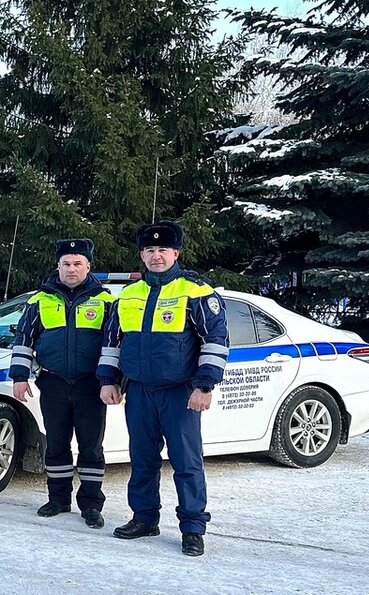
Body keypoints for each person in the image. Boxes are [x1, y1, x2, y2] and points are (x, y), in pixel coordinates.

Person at [96, 221, 229, 557]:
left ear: (176, 253)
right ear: (142, 254)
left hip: (180, 392)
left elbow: (215, 340)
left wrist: (205, 385)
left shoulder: (195, 291)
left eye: (163, 250)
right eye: (149, 250)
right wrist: (108, 380)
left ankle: (193, 528)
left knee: (186, 463)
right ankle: (144, 518)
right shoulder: (128, 294)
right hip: (139, 391)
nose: (156, 256)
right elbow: (112, 341)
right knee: (141, 459)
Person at [10, 238, 116, 529]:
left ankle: (91, 505)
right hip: (53, 381)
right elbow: (23, 341)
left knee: (91, 446)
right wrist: (20, 377)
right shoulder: (39, 300)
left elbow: (113, 344)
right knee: (56, 444)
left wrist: (110, 380)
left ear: (88, 266)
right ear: (58, 266)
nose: (72, 269)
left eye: (77, 263)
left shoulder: (105, 301)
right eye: (66, 264)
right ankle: (58, 499)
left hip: (90, 385)